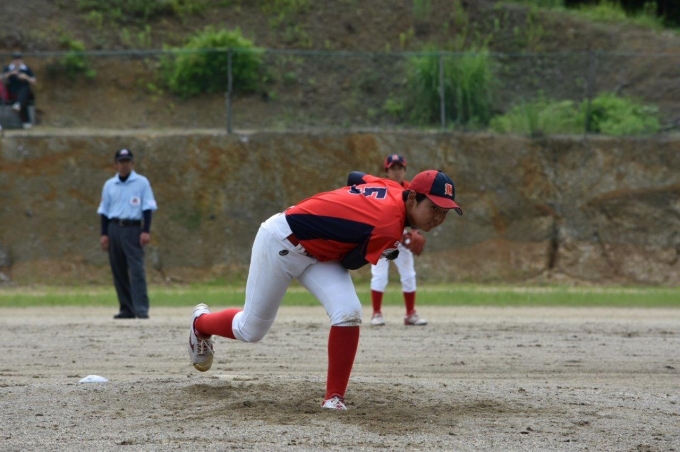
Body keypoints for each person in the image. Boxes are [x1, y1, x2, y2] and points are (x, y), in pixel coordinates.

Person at [188, 169, 462, 410]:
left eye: (445, 212)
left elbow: (355, 177)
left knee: (348, 311)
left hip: (319, 253)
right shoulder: (389, 225)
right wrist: (391, 245)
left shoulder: (393, 187)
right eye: (434, 208)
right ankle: (200, 323)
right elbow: (350, 262)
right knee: (250, 330)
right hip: (281, 242)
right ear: (412, 197)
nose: (438, 217)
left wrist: (349, 210)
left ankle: (334, 398)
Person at [97, 148, 158, 319]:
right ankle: (126, 308)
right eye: (121, 162)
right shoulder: (110, 185)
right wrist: (104, 234)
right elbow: (104, 211)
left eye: (127, 162)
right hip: (114, 227)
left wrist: (145, 230)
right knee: (118, 270)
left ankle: (141, 308)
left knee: (136, 269)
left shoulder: (141, 183)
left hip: (133, 228)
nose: (124, 165)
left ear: (132, 163)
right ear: (116, 165)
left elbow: (147, 207)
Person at [370, 154, 429, 327]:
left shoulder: (410, 189)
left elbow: (416, 214)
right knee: (380, 275)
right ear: (386, 171)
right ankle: (376, 313)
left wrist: (414, 232)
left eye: (400, 168)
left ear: (405, 170)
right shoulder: (380, 188)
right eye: (393, 168)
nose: (397, 171)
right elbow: (377, 215)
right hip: (381, 238)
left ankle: (410, 314)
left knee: (409, 275)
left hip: (402, 240)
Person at [1, 52, 37, 129]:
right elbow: (1, 78)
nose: (17, 62)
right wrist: (10, 74)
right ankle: (26, 121)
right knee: (22, 101)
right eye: (15, 60)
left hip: (24, 91)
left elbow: (34, 81)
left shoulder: (26, 69)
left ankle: (18, 105)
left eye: (18, 60)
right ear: (13, 61)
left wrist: (26, 77)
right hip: (12, 91)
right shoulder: (8, 68)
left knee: (24, 92)